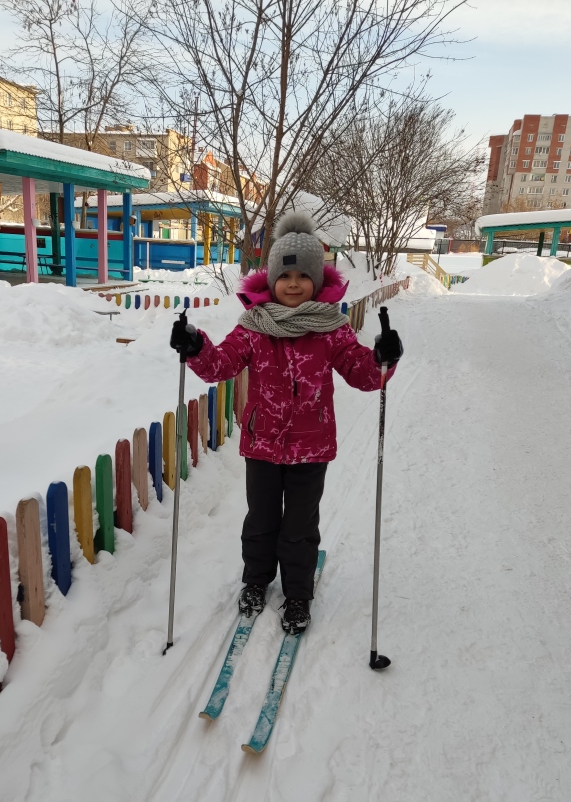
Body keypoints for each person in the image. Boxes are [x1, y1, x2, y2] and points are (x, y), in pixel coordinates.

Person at [170, 212, 403, 635]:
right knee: (260, 520)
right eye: (285, 275)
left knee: (299, 525)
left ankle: (297, 593)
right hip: (262, 444)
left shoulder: (331, 329)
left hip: (311, 447)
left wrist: (382, 357)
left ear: (317, 280)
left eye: (302, 275)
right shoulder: (254, 329)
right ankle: (255, 581)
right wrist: (196, 347)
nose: (293, 283)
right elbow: (220, 365)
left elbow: (362, 374)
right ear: (271, 279)